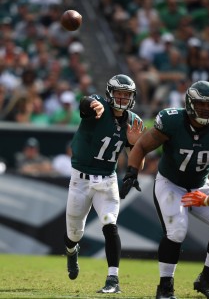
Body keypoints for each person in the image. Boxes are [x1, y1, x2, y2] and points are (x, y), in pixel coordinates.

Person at [119, 80, 209, 299]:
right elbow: (143, 146)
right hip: (171, 182)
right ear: (190, 103)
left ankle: (207, 279)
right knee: (177, 231)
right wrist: (131, 171)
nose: (206, 109)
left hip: (200, 183)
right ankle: (165, 288)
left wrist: (205, 199)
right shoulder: (172, 121)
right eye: (201, 104)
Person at [64, 74, 145, 294]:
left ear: (132, 97)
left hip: (107, 180)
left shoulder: (133, 121)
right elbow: (85, 102)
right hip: (80, 179)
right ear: (110, 93)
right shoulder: (99, 107)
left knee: (110, 224)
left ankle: (113, 280)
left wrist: (132, 172)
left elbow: (137, 154)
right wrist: (91, 104)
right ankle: (72, 251)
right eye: (118, 93)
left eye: (126, 94)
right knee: (74, 233)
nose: (121, 97)